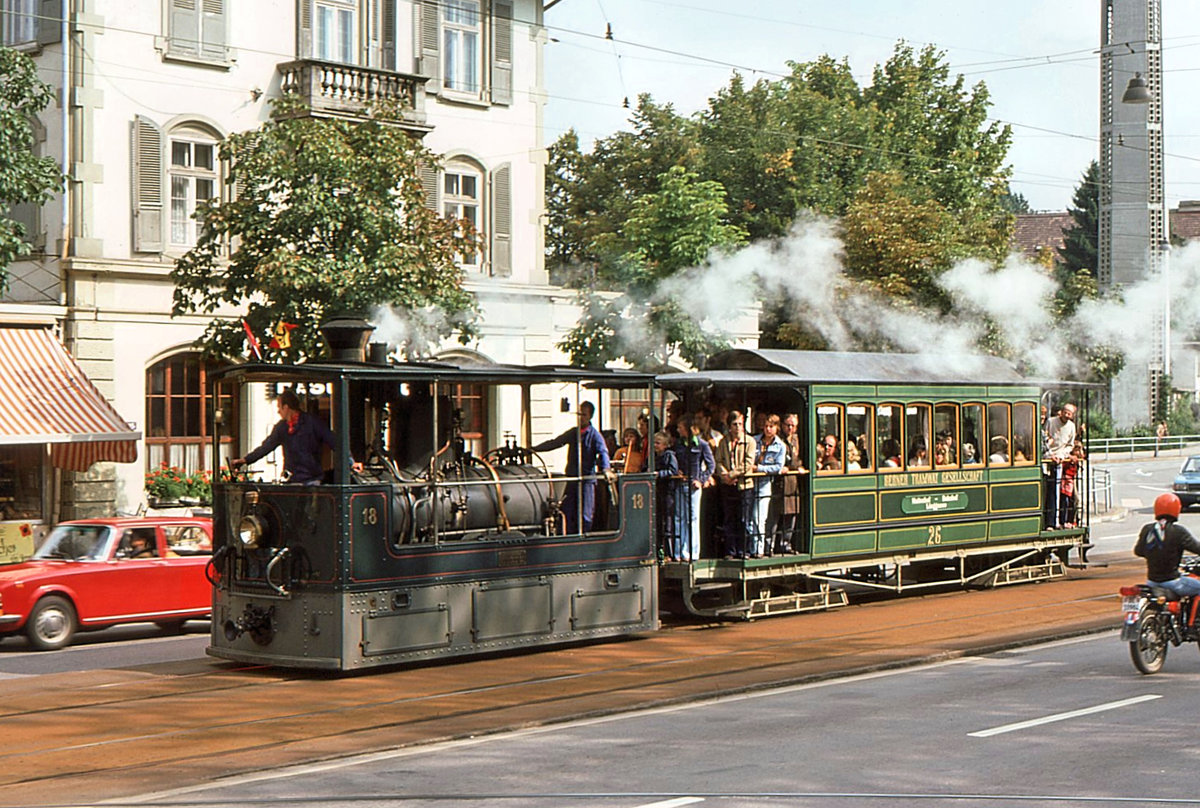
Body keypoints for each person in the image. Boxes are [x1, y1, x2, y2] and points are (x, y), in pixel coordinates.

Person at [231, 388, 362, 485]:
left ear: (286, 407)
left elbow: (334, 441)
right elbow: (266, 447)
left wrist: (351, 462)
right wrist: (245, 460)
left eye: (279, 407)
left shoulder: (312, 423)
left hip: (312, 479)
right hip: (293, 479)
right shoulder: (282, 427)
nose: (278, 411)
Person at [531, 400, 613, 534]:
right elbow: (556, 442)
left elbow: (603, 452)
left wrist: (606, 469)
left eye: (584, 414)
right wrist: (534, 449)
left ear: (590, 416)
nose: (581, 417)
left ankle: (584, 538)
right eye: (579, 414)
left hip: (586, 480)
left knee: (585, 514)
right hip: (572, 478)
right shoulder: (573, 433)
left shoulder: (594, 436)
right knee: (567, 511)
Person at [1135, 492, 1200, 599]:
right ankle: (1193, 616)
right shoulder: (1178, 531)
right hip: (1173, 582)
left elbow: (1138, 551)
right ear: (1176, 509)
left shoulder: (1147, 529)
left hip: (1151, 582)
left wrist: (1155, 554)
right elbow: (1196, 548)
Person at [672, 414, 715, 562]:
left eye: (681, 428)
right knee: (679, 518)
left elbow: (711, 465)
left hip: (693, 487)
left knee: (693, 518)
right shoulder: (678, 444)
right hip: (680, 484)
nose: (678, 430)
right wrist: (676, 471)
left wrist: (701, 480)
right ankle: (679, 552)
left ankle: (692, 552)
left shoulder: (702, 444)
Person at [715, 411, 757, 559]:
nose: (738, 427)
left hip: (744, 486)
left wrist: (732, 474)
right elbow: (718, 461)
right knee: (729, 518)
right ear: (729, 426)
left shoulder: (750, 441)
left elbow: (748, 464)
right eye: (735, 424)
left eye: (740, 424)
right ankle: (730, 551)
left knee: (744, 519)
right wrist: (724, 475)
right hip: (727, 486)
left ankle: (744, 550)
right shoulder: (723, 442)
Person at [750, 415, 786, 557]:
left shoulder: (780, 446)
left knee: (759, 517)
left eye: (771, 427)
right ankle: (752, 547)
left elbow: (778, 467)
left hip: (765, 484)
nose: (768, 429)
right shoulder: (754, 441)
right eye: (766, 426)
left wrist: (759, 468)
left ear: (776, 428)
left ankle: (758, 549)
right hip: (751, 483)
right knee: (749, 517)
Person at [651, 431, 680, 561]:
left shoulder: (669, 456)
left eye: (658, 443)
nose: (655, 445)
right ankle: (658, 550)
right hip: (657, 491)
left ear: (665, 445)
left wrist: (659, 474)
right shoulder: (652, 457)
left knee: (668, 521)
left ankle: (670, 552)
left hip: (668, 491)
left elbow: (673, 471)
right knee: (658, 521)